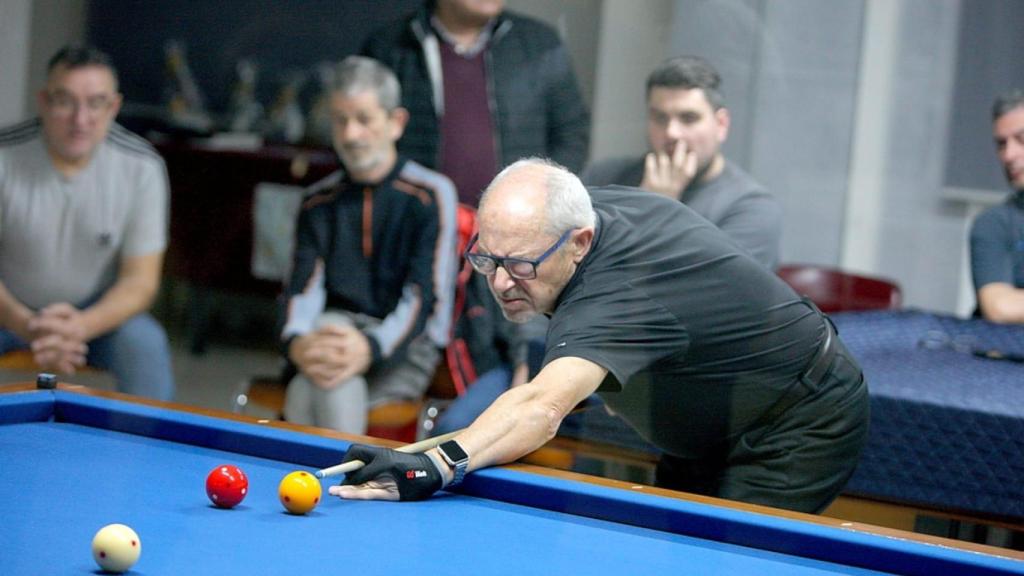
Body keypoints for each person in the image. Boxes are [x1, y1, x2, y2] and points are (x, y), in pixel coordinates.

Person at [329, 158, 869, 514]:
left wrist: (436, 463)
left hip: (796, 420)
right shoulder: (571, 213)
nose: (498, 282)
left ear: (580, 242)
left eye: (518, 265)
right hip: (708, 421)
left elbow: (542, 406)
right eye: (486, 258)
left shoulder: (618, 292)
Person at [280, 56, 458, 434]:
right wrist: (297, 343)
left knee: (314, 386)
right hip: (332, 334)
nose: (350, 135)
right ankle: (336, 485)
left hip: (405, 347)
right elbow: (300, 291)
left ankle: (306, 484)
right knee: (330, 366)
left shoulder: (430, 195)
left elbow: (424, 298)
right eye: (340, 121)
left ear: (396, 123)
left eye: (364, 119)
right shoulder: (317, 201)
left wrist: (370, 347)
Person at [0, 45, 174, 400]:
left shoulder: (143, 167)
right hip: (8, 311)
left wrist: (79, 326)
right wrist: (28, 325)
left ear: (114, 107)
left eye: (95, 103)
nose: (81, 120)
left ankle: (145, 453)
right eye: (65, 102)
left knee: (145, 343)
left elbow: (140, 282)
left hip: (98, 317)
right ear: (44, 101)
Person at [362, 0, 590, 207]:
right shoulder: (391, 45)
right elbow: (365, 135)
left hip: (517, 226)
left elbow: (572, 133)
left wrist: (540, 197)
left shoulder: (539, 43)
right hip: (414, 222)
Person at [582, 56, 781, 269]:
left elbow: (704, 292)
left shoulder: (750, 208)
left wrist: (655, 209)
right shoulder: (604, 178)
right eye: (660, 118)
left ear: (721, 125)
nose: (671, 133)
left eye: (688, 118)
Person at [970, 89, 1024, 323]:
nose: (1009, 155)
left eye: (1021, 139)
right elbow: (999, 307)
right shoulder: (995, 223)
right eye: (1002, 144)